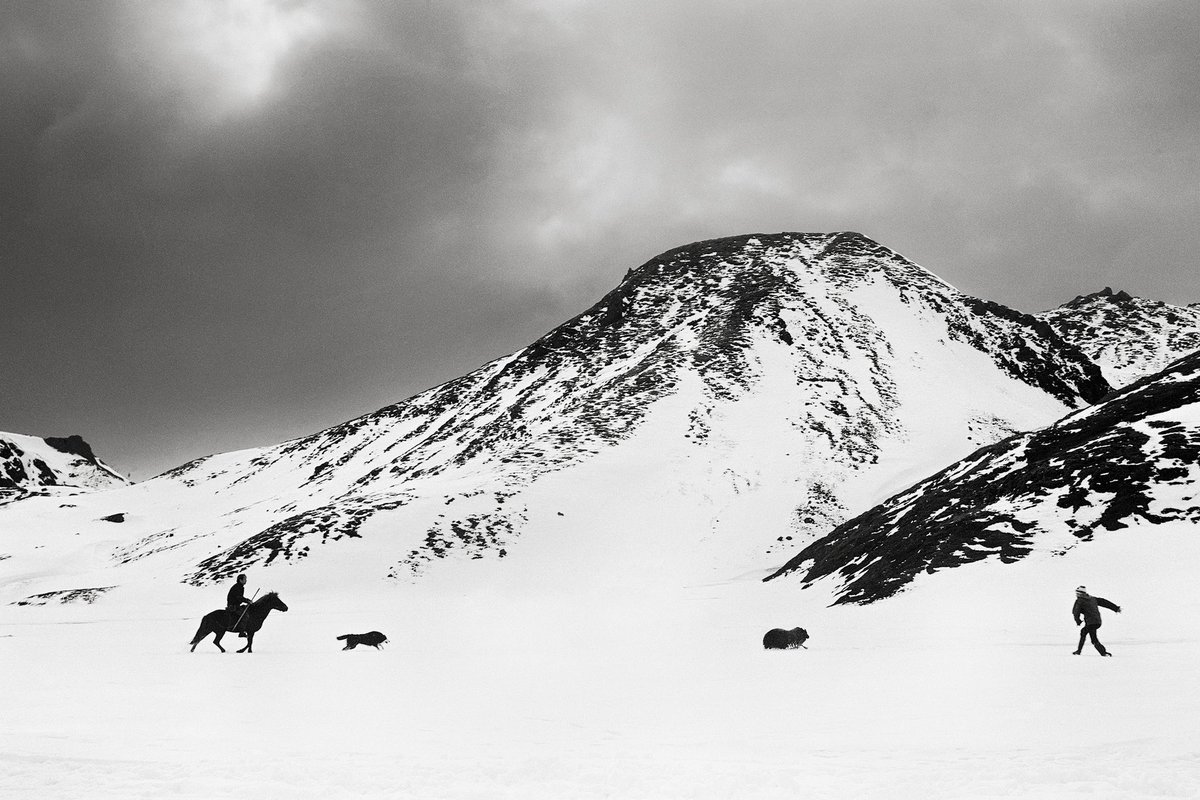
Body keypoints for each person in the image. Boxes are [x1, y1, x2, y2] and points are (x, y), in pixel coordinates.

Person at [1072, 585, 1120, 656]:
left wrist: (1078, 621)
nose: (1076, 595)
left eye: (1077, 593)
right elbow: (1105, 602)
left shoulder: (1079, 601)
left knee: (1083, 632)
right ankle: (1103, 652)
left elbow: (1075, 612)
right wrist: (1116, 608)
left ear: (1079, 593)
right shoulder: (1093, 599)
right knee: (1093, 638)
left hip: (1091, 622)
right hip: (1097, 621)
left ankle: (1079, 651)